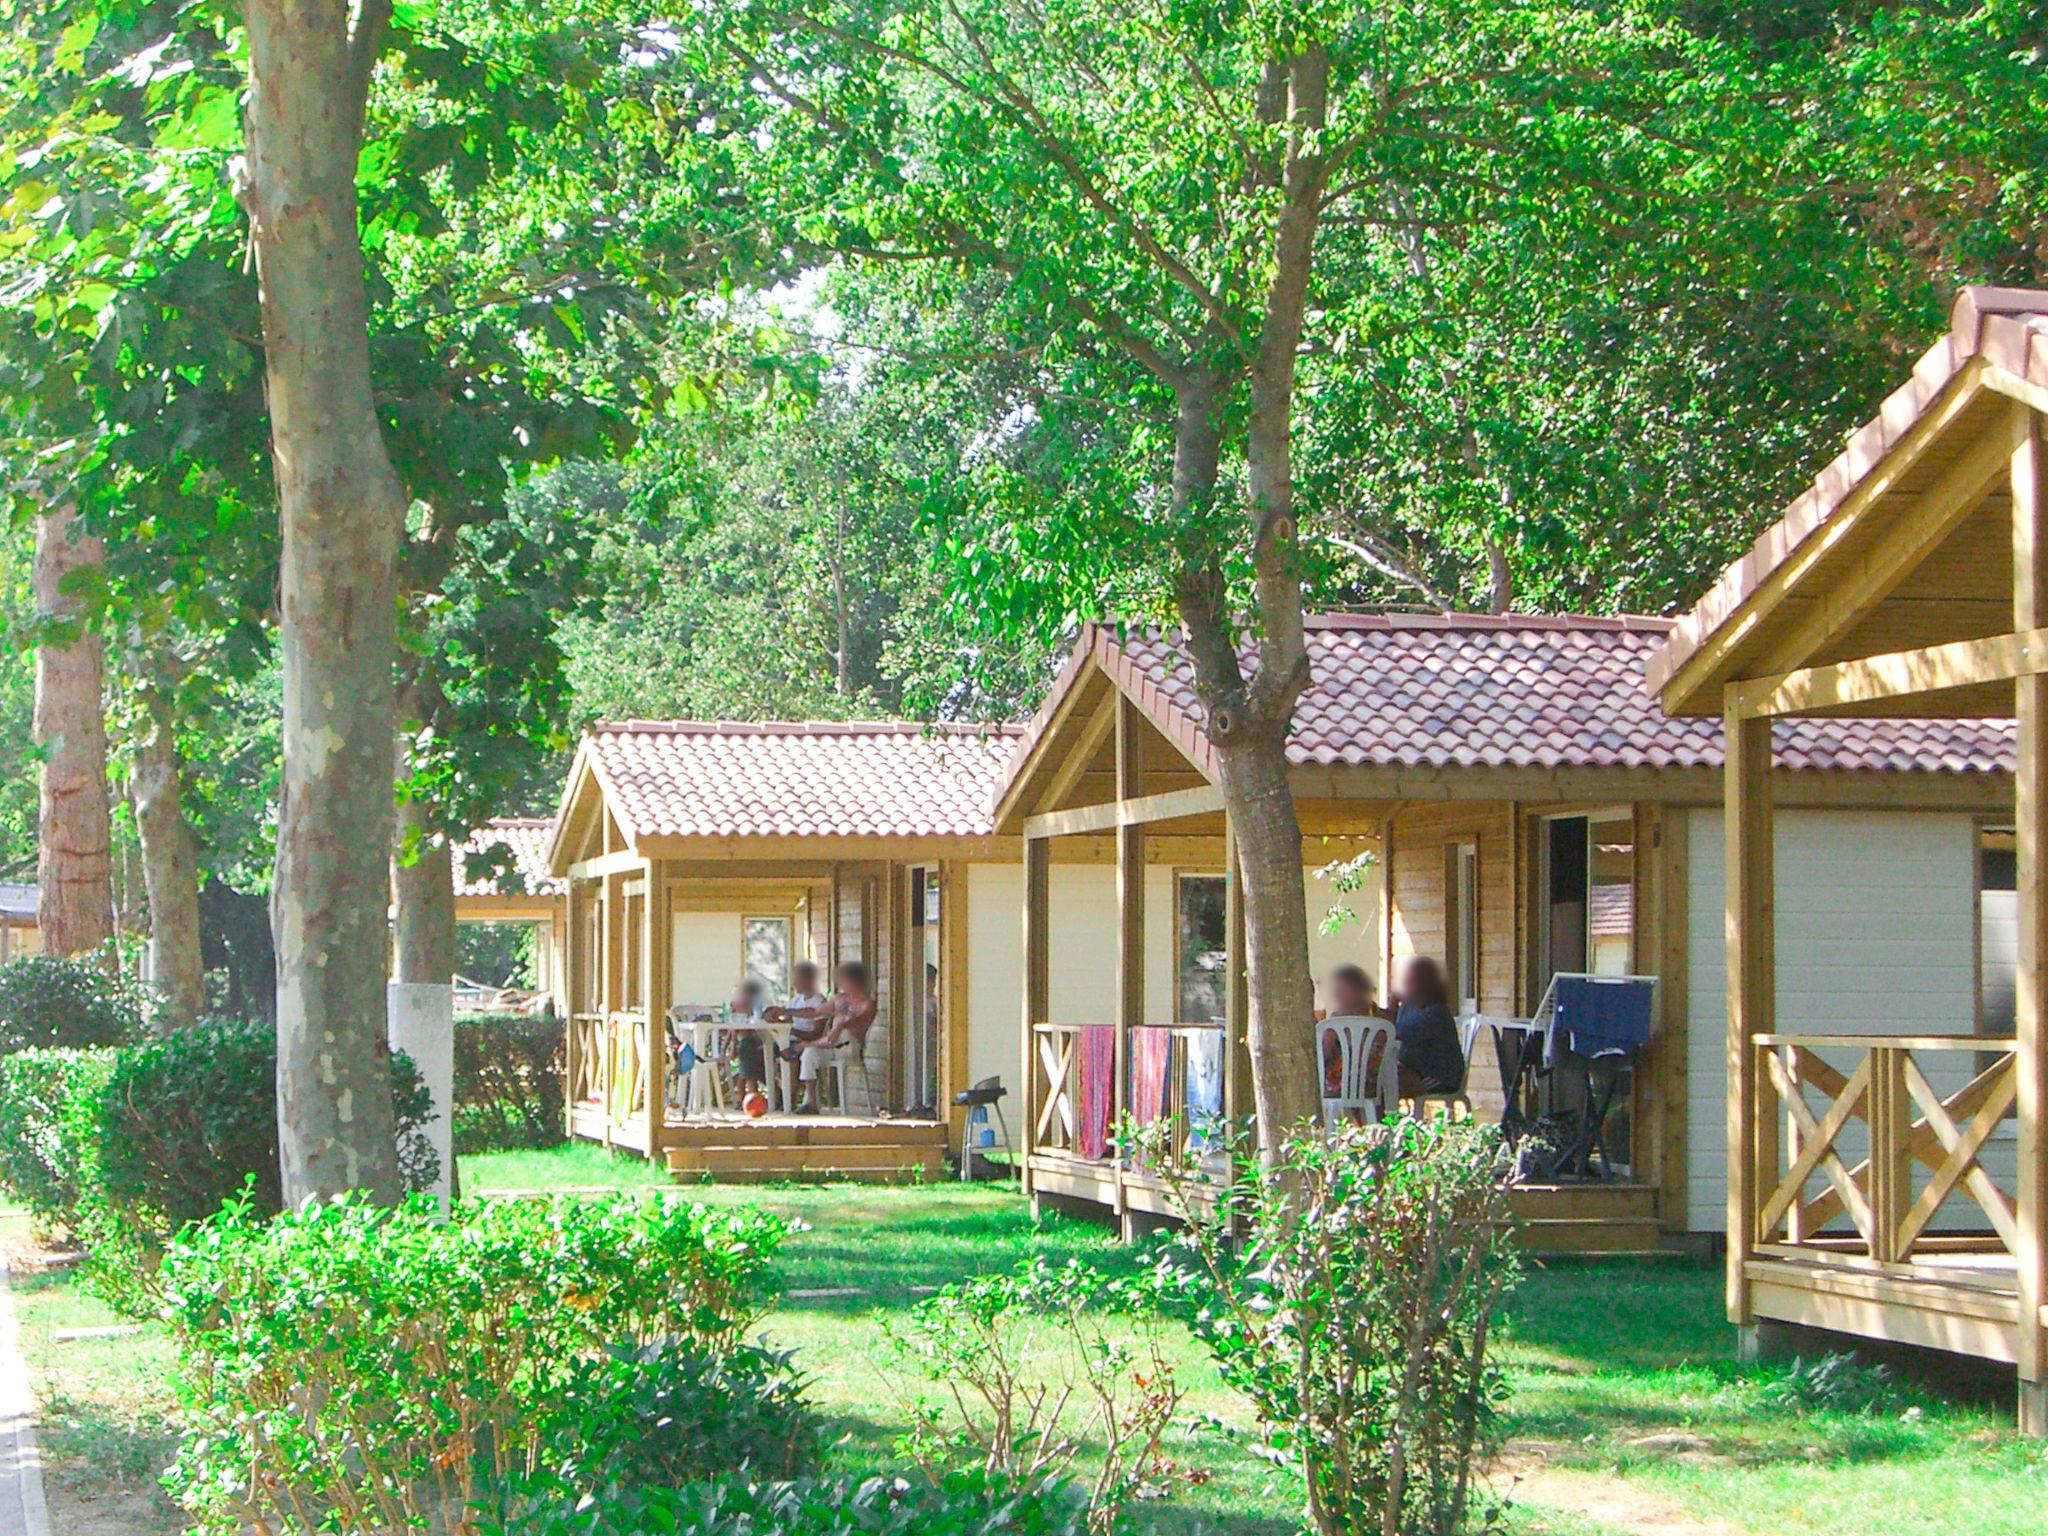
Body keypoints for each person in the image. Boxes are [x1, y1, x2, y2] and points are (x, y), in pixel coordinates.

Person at [797, 961, 878, 1114]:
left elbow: (856, 1022)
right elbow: (815, 1012)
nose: (841, 983)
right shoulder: (839, 999)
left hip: (850, 1048)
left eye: (843, 979)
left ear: (854, 980)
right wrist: (786, 1012)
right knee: (809, 1054)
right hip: (830, 1045)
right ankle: (811, 1102)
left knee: (841, 1031)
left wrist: (840, 1026)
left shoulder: (867, 1004)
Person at [1394, 955, 1464, 1096]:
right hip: (1413, 1069)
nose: (1405, 983)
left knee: (1387, 1088)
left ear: (1423, 983)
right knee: (1374, 1084)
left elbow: (1401, 1033)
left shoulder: (1436, 1012)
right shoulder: (1408, 1006)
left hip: (1439, 1075)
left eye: (1410, 979)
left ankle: (1385, 1117)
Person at [1320, 964, 1386, 1095]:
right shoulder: (1381, 1015)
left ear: (1359, 990)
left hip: (1343, 1083)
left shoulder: (1337, 1020)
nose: (1336, 995)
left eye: (1341, 991)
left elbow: (1322, 1055)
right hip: (1376, 1082)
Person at [724, 977, 769, 1097]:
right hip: (746, 1043)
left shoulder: (757, 1006)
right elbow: (733, 1029)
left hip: (761, 1042)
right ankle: (749, 1094)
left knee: (750, 1060)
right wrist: (730, 1048)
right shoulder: (737, 1007)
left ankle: (747, 1096)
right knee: (747, 1051)